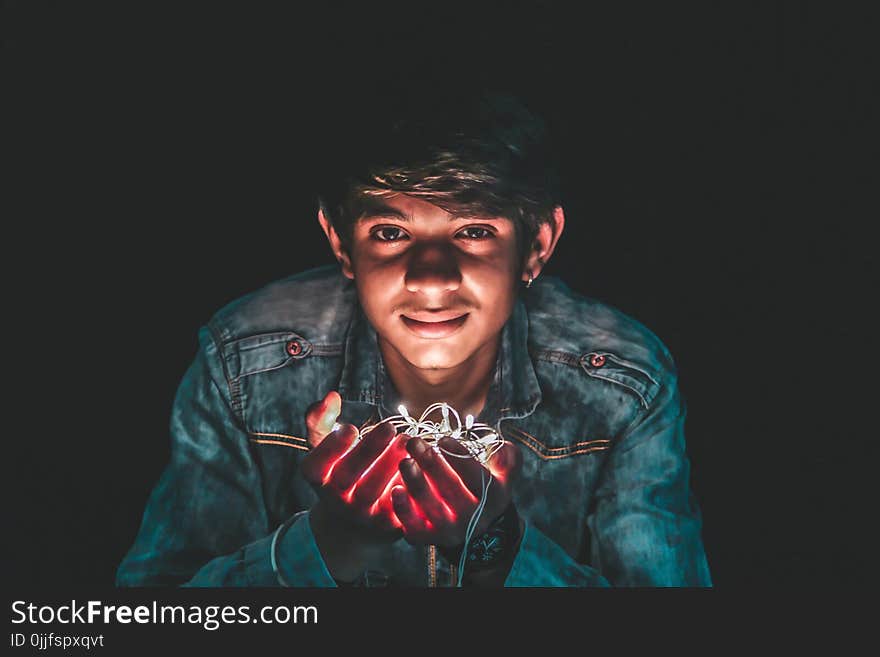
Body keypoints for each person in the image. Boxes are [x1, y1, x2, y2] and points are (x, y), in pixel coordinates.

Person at [117, 88, 712, 587]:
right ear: (340, 241)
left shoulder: (622, 383)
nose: (431, 278)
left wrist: (499, 550)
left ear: (535, 246)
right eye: (390, 231)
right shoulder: (245, 363)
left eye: (474, 230)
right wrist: (327, 544)